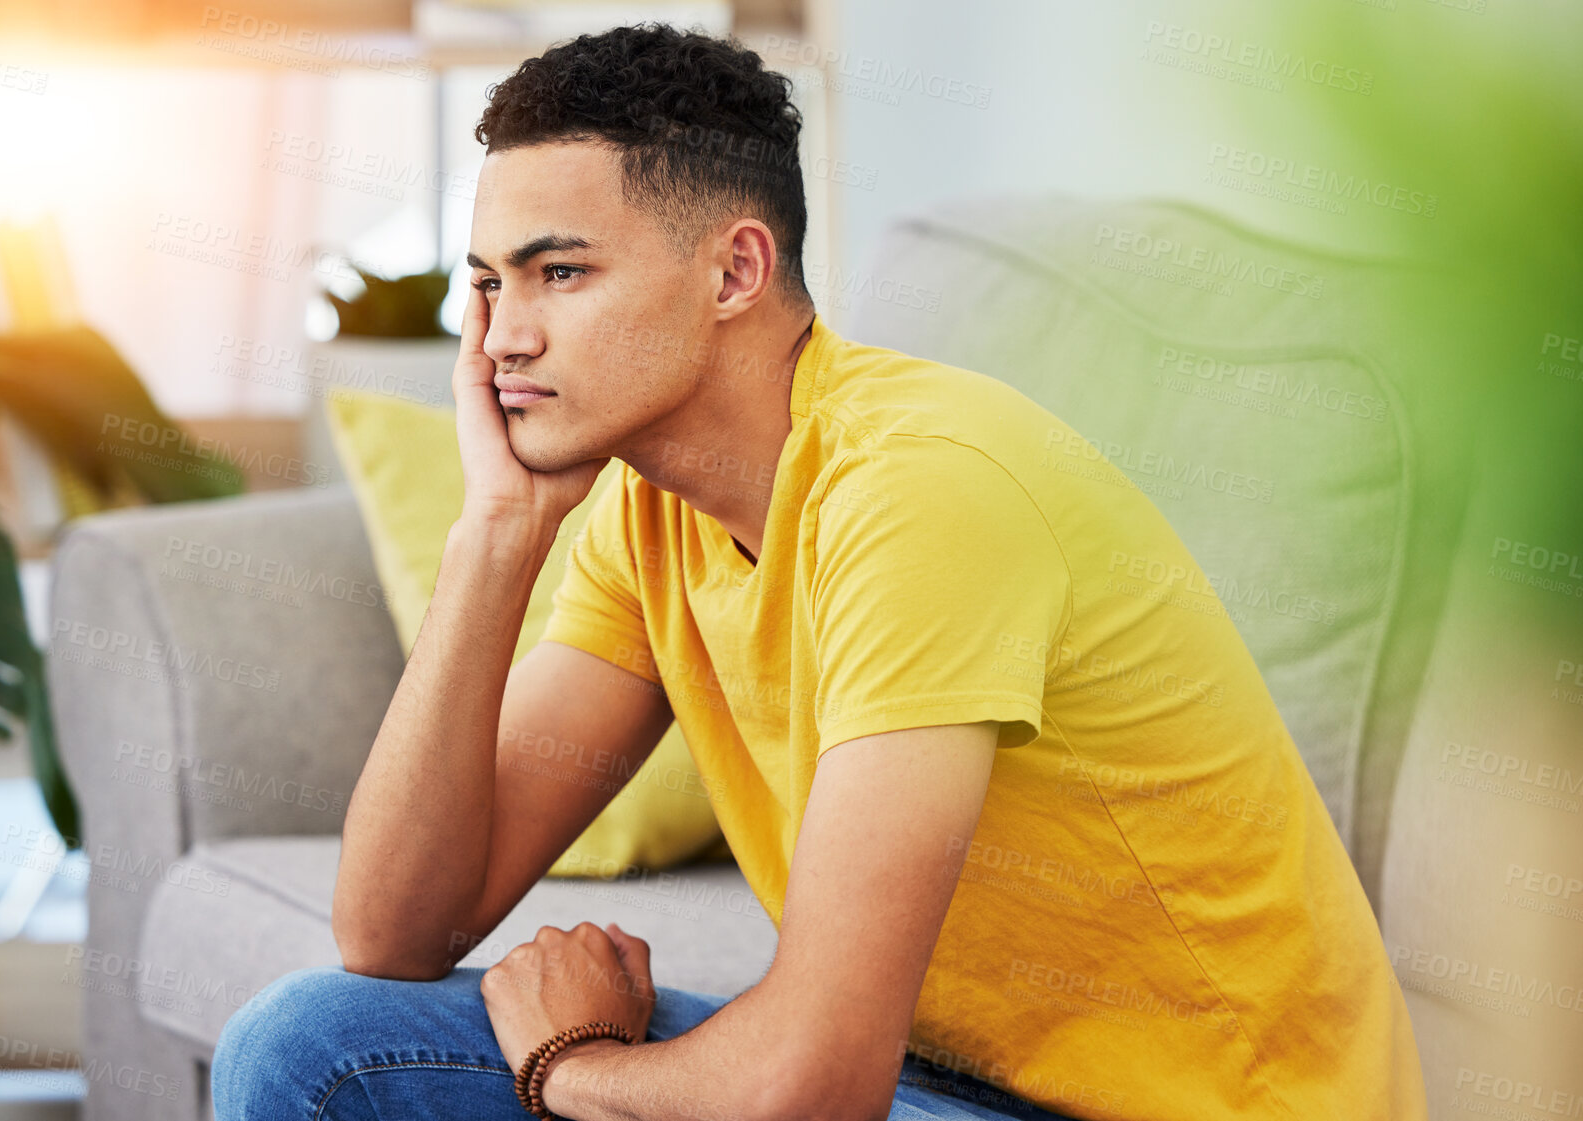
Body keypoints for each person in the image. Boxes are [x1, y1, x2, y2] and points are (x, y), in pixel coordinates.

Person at [212, 22, 1426, 1121]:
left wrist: (569, 1063)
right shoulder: (647, 508)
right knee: (312, 1041)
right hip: (924, 1075)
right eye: (486, 284)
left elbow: (811, 1083)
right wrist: (494, 534)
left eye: (558, 272)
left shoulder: (917, 491)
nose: (505, 337)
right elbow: (392, 929)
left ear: (734, 273)